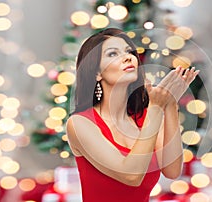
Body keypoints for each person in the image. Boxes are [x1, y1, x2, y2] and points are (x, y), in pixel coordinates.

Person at [66, 28, 199, 202]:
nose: (128, 57)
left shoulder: (147, 115)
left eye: (129, 51)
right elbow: (131, 176)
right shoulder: (79, 123)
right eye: (113, 53)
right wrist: (157, 107)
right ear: (97, 72)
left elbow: (172, 170)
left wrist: (170, 103)